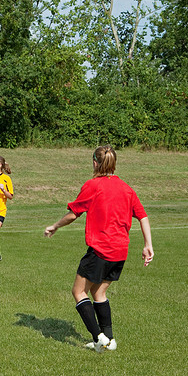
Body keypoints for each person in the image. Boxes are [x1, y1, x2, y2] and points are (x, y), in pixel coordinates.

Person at [43, 145, 154, 353]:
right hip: (120, 251)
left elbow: (74, 213)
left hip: (100, 249)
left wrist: (55, 225)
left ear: (95, 163)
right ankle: (110, 339)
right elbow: (143, 216)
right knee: (99, 292)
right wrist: (148, 245)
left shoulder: (93, 185)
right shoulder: (126, 188)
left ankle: (98, 338)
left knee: (78, 291)